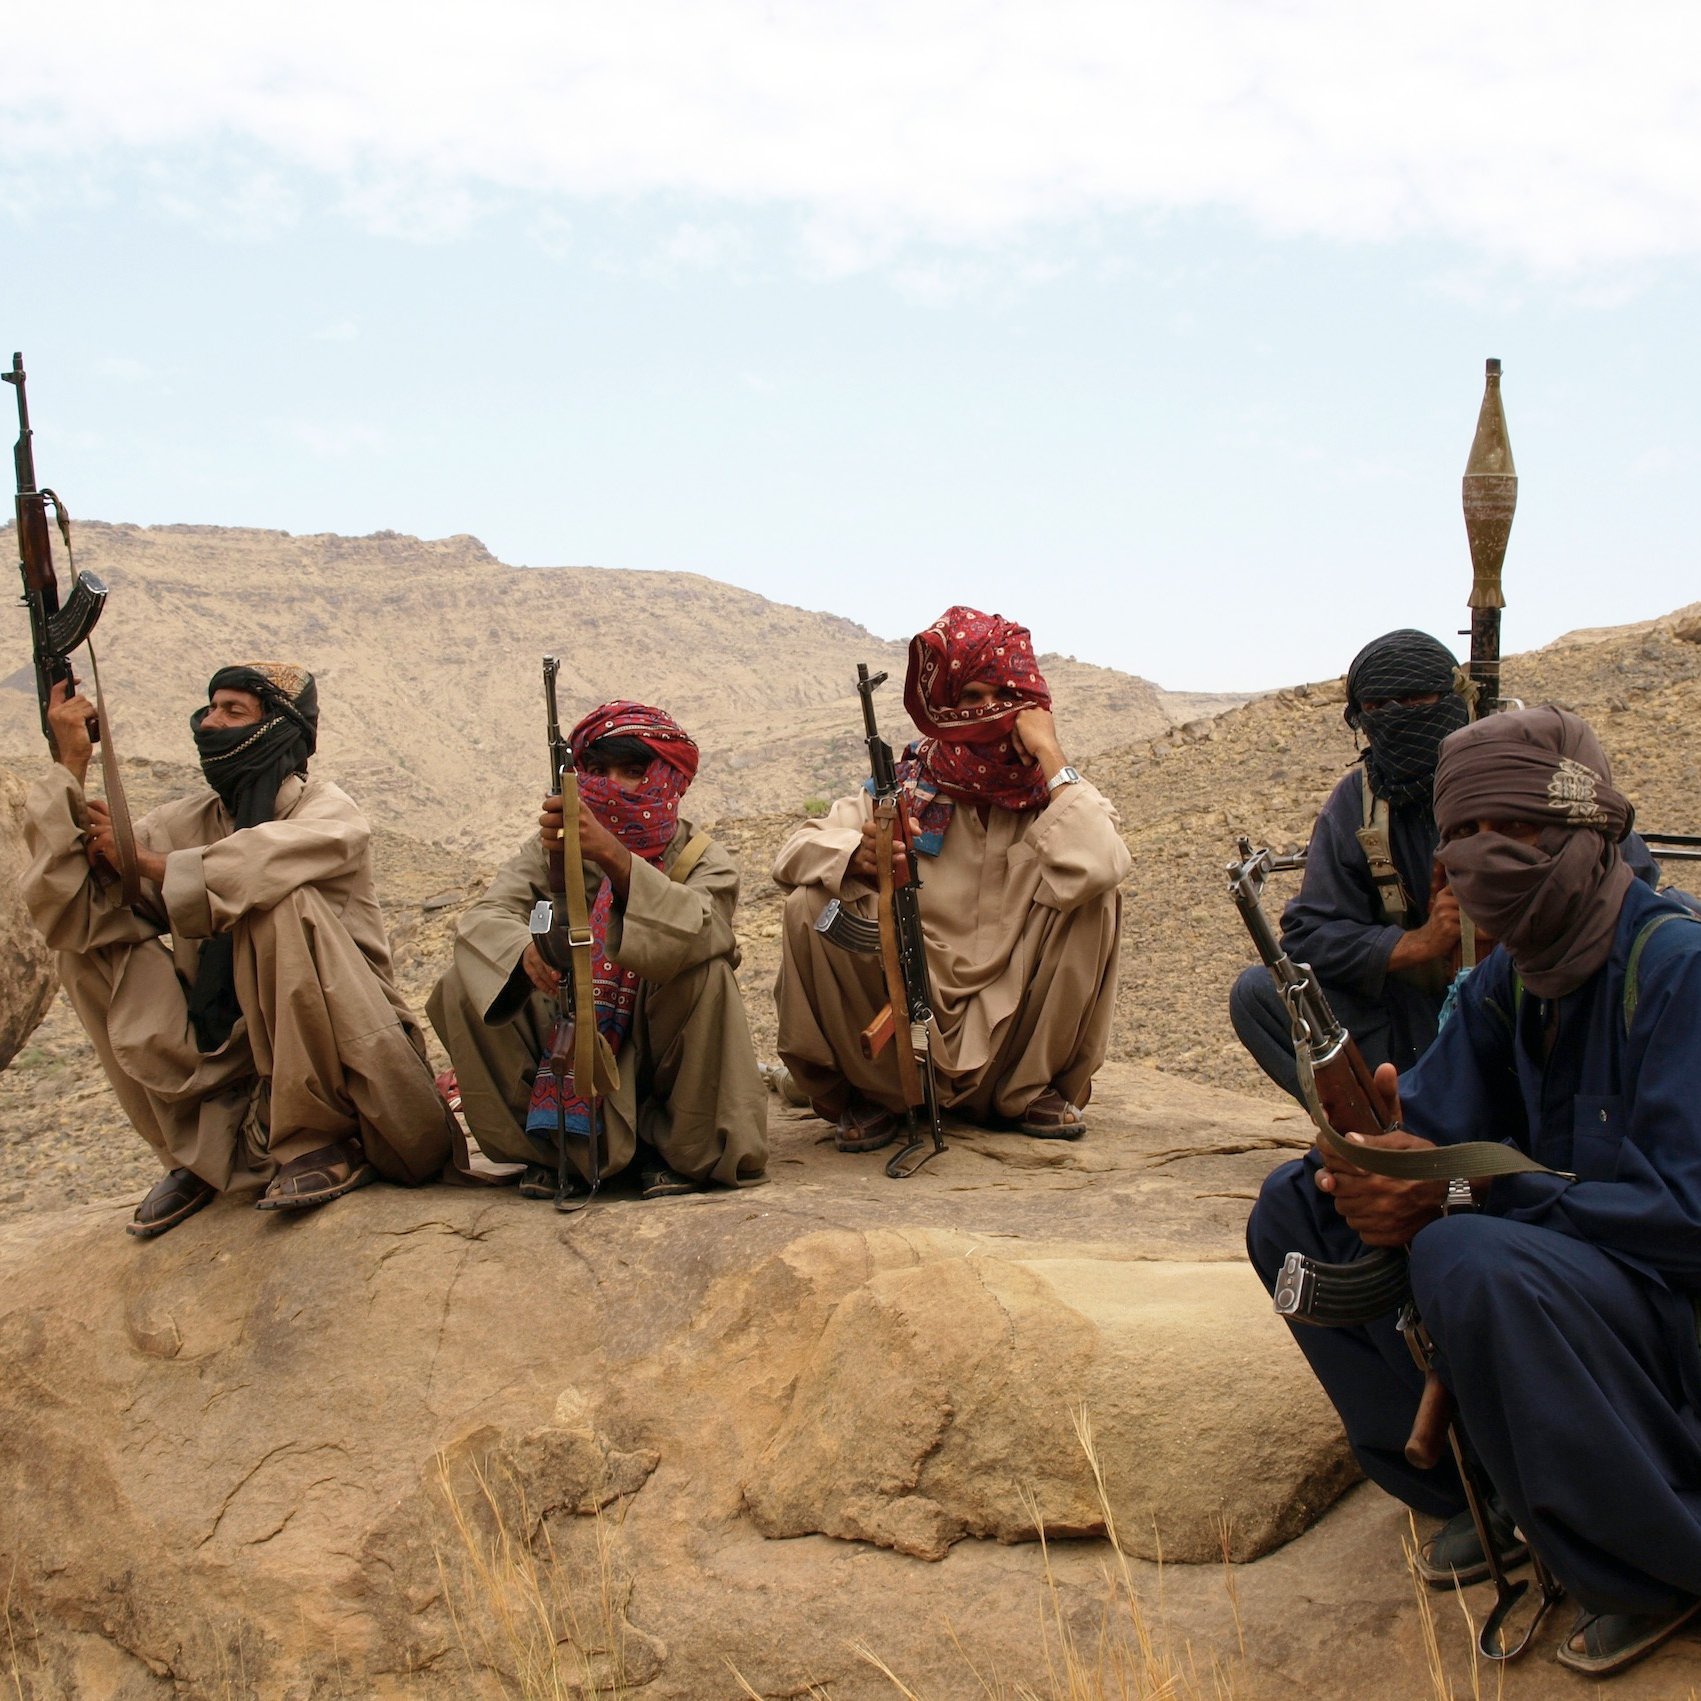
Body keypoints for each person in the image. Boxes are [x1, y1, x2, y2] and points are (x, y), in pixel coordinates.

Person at [1246, 705, 1701, 1679]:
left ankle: (1657, 1561)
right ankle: (1479, 1492)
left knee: (1463, 1248)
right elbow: (1439, 1128)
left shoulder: (1674, 971)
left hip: (1672, 1334)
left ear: (1591, 832)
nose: (1483, 859)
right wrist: (1378, 1162)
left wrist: (1471, 1201)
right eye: (1462, 836)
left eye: (1516, 832)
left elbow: (1686, 1219)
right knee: (1299, 1206)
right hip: (1566, 1301)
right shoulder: (1516, 983)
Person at [23, 665, 452, 1237]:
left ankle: (317, 1138)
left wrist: (148, 864)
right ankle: (196, 1158)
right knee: (88, 944)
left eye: (234, 711)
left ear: (280, 728)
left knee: (273, 903)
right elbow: (66, 904)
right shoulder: (185, 821)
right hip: (235, 1067)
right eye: (211, 708)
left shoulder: (328, 811)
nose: (212, 722)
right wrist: (71, 766)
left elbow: (253, 867)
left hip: (356, 1069)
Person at [1230, 629, 1659, 1100]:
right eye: (1377, 708)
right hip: (1419, 1021)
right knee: (1262, 995)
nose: (1397, 718)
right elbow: (1310, 934)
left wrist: (1526, 918)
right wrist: (1418, 943)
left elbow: (1630, 877)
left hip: (1541, 999)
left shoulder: (1527, 772)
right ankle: (1377, 1130)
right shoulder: (1359, 804)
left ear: (1455, 700)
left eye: (1416, 699)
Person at [772, 606, 1130, 1152]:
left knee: (1097, 895)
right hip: (911, 1013)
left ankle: (1029, 1093)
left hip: (1012, 1021)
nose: (988, 711)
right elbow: (793, 854)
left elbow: (1102, 862)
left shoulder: (1056, 796)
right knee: (810, 904)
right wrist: (858, 854)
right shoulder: (903, 788)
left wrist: (1050, 755)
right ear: (944, 707)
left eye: (1003, 697)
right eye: (971, 698)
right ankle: (870, 1097)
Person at [427, 700, 766, 1200]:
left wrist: (614, 856)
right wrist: (524, 951)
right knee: (465, 983)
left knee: (706, 972)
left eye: (631, 772)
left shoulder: (700, 857)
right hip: (564, 1027)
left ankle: (677, 1151)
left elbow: (702, 930)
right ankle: (549, 1154)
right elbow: (486, 917)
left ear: (665, 779)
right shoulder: (547, 853)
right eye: (597, 771)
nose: (611, 785)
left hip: (651, 1049)